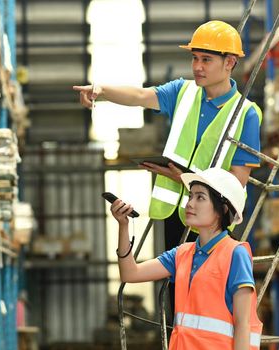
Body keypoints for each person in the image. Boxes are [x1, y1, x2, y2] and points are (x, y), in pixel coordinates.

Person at [73, 20, 262, 249]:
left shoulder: (246, 114)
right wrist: (101, 90)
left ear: (229, 62)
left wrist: (182, 178)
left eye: (206, 59)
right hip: (173, 215)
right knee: (175, 284)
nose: (197, 67)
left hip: (212, 222)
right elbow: (140, 96)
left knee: (206, 283)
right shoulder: (182, 92)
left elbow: (236, 181)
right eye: (195, 58)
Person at [110, 167, 262, 350]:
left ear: (223, 208)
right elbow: (130, 273)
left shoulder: (236, 254)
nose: (189, 204)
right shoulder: (182, 254)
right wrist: (123, 226)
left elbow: (243, 325)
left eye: (200, 197)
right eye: (190, 196)